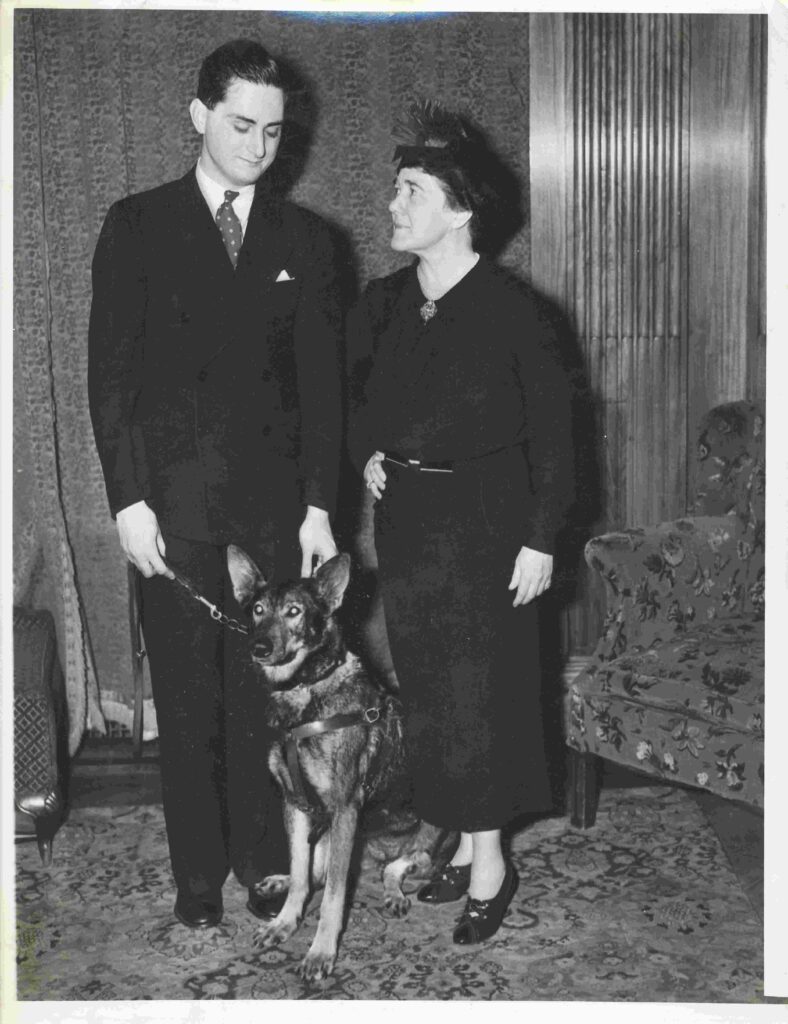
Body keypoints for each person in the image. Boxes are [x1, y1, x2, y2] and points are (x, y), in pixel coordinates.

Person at [88, 39, 345, 930]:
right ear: (197, 116)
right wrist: (127, 502)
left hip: (273, 517)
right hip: (173, 515)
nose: (258, 146)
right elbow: (110, 379)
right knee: (189, 703)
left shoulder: (309, 242)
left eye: (274, 131)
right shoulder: (137, 225)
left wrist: (320, 507)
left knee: (261, 704)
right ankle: (197, 876)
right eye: (241, 124)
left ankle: (265, 864)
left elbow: (322, 389)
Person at [349, 99, 574, 944]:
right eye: (395, 188)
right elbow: (360, 399)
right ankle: (456, 840)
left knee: (483, 699)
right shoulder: (383, 304)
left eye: (410, 191)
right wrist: (370, 451)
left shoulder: (520, 314)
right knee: (434, 697)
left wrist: (543, 537)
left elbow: (557, 436)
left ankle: (490, 864)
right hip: (409, 527)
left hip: (491, 528)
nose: (393, 205)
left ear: (460, 209)